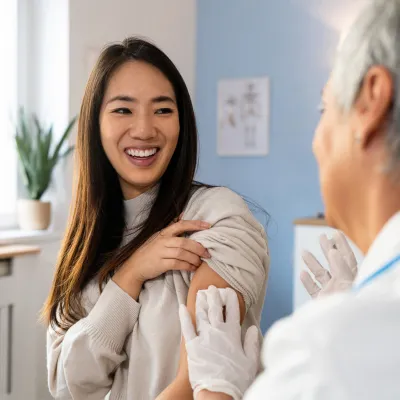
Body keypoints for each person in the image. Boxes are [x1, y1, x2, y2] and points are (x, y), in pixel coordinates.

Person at [179, 0, 400, 398]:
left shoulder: (329, 350)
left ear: (371, 100)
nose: (316, 142)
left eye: (324, 108)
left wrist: (221, 387)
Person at [43, 37, 270, 400]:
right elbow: (71, 383)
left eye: (163, 110)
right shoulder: (85, 243)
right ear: (95, 124)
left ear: (182, 122)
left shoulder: (216, 217)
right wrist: (129, 276)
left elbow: (195, 382)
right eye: (123, 110)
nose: (145, 129)